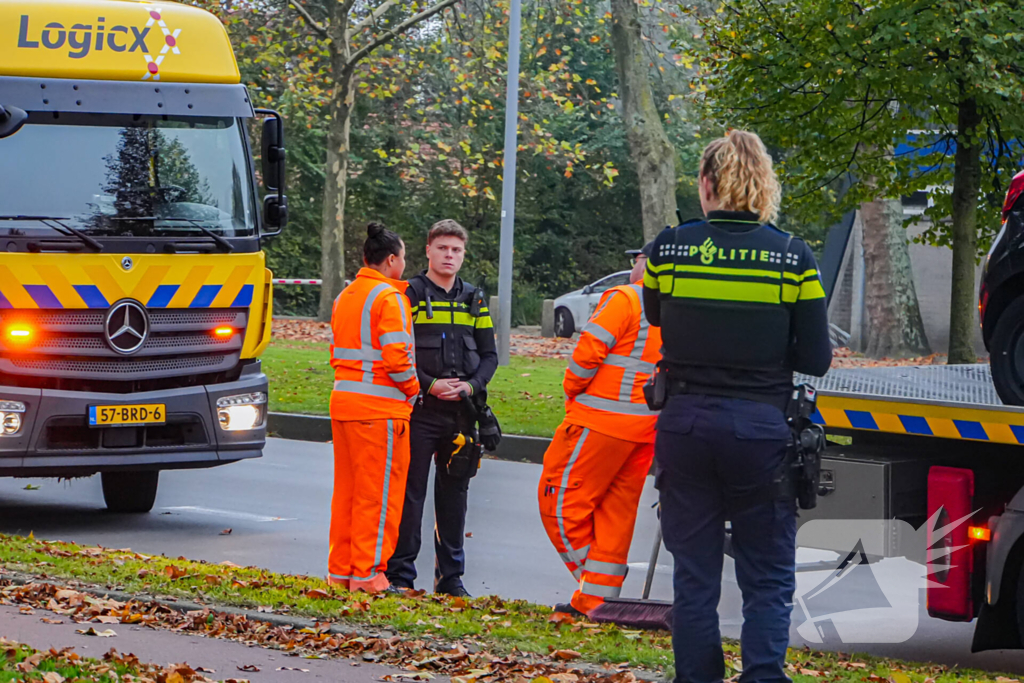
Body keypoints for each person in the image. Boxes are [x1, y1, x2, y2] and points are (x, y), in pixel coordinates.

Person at [643, 131, 832, 683]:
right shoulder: (792, 256)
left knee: (694, 576)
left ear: (707, 183)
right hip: (759, 430)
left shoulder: (670, 247)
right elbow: (816, 359)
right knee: (767, 576)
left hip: (685, 425)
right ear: (762, 183)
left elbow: (656, 316)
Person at [538, 242, 661, 617]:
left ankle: (595, 587)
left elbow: (586, 356)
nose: (633, 266)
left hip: (599, 422)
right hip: (646, 430)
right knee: (616, 514)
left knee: (557, 503)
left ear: (647, 263)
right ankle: (599, 601)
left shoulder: (626, 298)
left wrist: (573, 390)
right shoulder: (681, 308)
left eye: (637, 259)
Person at [385, 219, 497, 597]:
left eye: (456, 250)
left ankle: (450, 579)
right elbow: (399, 353)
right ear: (428, 251)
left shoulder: (474, 299)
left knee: (454, 499)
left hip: (462, 413)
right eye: (443, 249)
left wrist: (470, 385)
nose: (450, 256)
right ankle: (401, 575)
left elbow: (489, 356)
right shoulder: (409, 294)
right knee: (411, 495)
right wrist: (430, 385)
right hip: (421, 410)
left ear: (463, 255)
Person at [328, 222, 419, 594]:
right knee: (378, 496)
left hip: (344, 403)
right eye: (403, 258)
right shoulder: (389, 298)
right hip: (379, 409)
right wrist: (414, 391)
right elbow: (397, 357)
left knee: (347, 495)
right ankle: (368, 576)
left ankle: (341, 572)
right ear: (392, 260)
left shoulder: (345, 296)